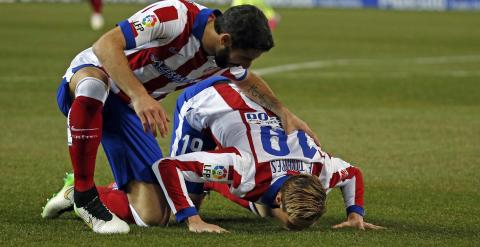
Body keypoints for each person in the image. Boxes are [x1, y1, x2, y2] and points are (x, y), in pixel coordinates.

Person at [44, 0, 319, 234]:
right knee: (93, 86)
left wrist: (283, 112)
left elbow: (247, 81)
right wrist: (140, 95)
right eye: (244, 57)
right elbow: (105, 45)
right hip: (94, 75)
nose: (245, 65)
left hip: (128, 108)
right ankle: (84, 191)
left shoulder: (223, 58)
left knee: (154, 217)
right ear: (225, 40)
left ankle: (71, 195)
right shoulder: (175, 16)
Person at [151, 76, 383, 233]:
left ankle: (212, 177)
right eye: (294, 223)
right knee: (170, 207)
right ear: (280, 199)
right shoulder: (245, 168)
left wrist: (355, 215)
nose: (296, 230)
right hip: (204, 101)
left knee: (262, 206)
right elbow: (167, 166)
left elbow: (352, 173)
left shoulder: (321, 169)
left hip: (247, 114)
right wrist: (192, 219)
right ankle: (116, 195)